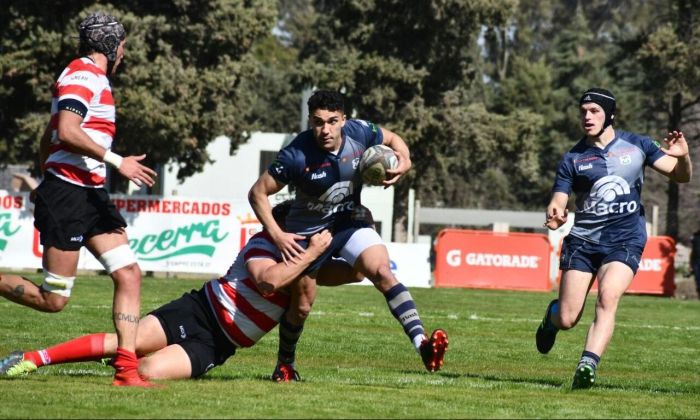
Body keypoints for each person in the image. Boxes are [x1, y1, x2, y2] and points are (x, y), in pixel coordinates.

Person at [0, 203, 346, 381]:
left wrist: (357, 239)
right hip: (197, 311)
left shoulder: (304, 266)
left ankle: (120, 365)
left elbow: (351, 274)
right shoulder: (264, 245)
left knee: (147, 371)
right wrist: (313, 253)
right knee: (125, 343)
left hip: (217, 344)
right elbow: (269, 281)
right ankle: (31, 359)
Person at [0, 11, 157, 387]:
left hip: (88, 194)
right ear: (108, 44)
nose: (123, 52)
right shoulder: (84, 75)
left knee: (129, 274)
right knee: (53, 300)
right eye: (121, 45)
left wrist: (44, 174)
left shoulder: (90, 77)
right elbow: (67, 131)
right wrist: (118, 162)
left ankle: (126, 369)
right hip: (70, 195)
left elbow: (49, 134)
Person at [248, 89, 448, 381]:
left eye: (332, 121)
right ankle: (285, 365)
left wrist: (404, 160)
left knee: (382, 272)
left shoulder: (360, 132)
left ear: (344, 120)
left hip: (349, 219)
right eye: (318, 122)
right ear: (310, 121)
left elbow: (392, 139)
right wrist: (278, 236)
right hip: (308, 233)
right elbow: (257, 193)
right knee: (302, 306)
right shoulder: (296, 155)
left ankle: (423, 346)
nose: (325, 129)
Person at [536, 88, 692, 389]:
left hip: (625, 239)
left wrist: (683, 157)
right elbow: (558, 198)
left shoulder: (639, 145)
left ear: (609, 114)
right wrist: (556, 214)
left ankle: (587, 365)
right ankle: (550, 318)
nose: (586, 116)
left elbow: (681, 176)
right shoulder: (573, 157)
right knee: (568, 318)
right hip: (583, 241)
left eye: (594, 111)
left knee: (608, 297)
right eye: (583, 111)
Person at [690, 230, 700, 294]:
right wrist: (690, 263)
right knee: (697, 278)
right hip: (696, 260)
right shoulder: (695, 236)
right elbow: (692, 251)